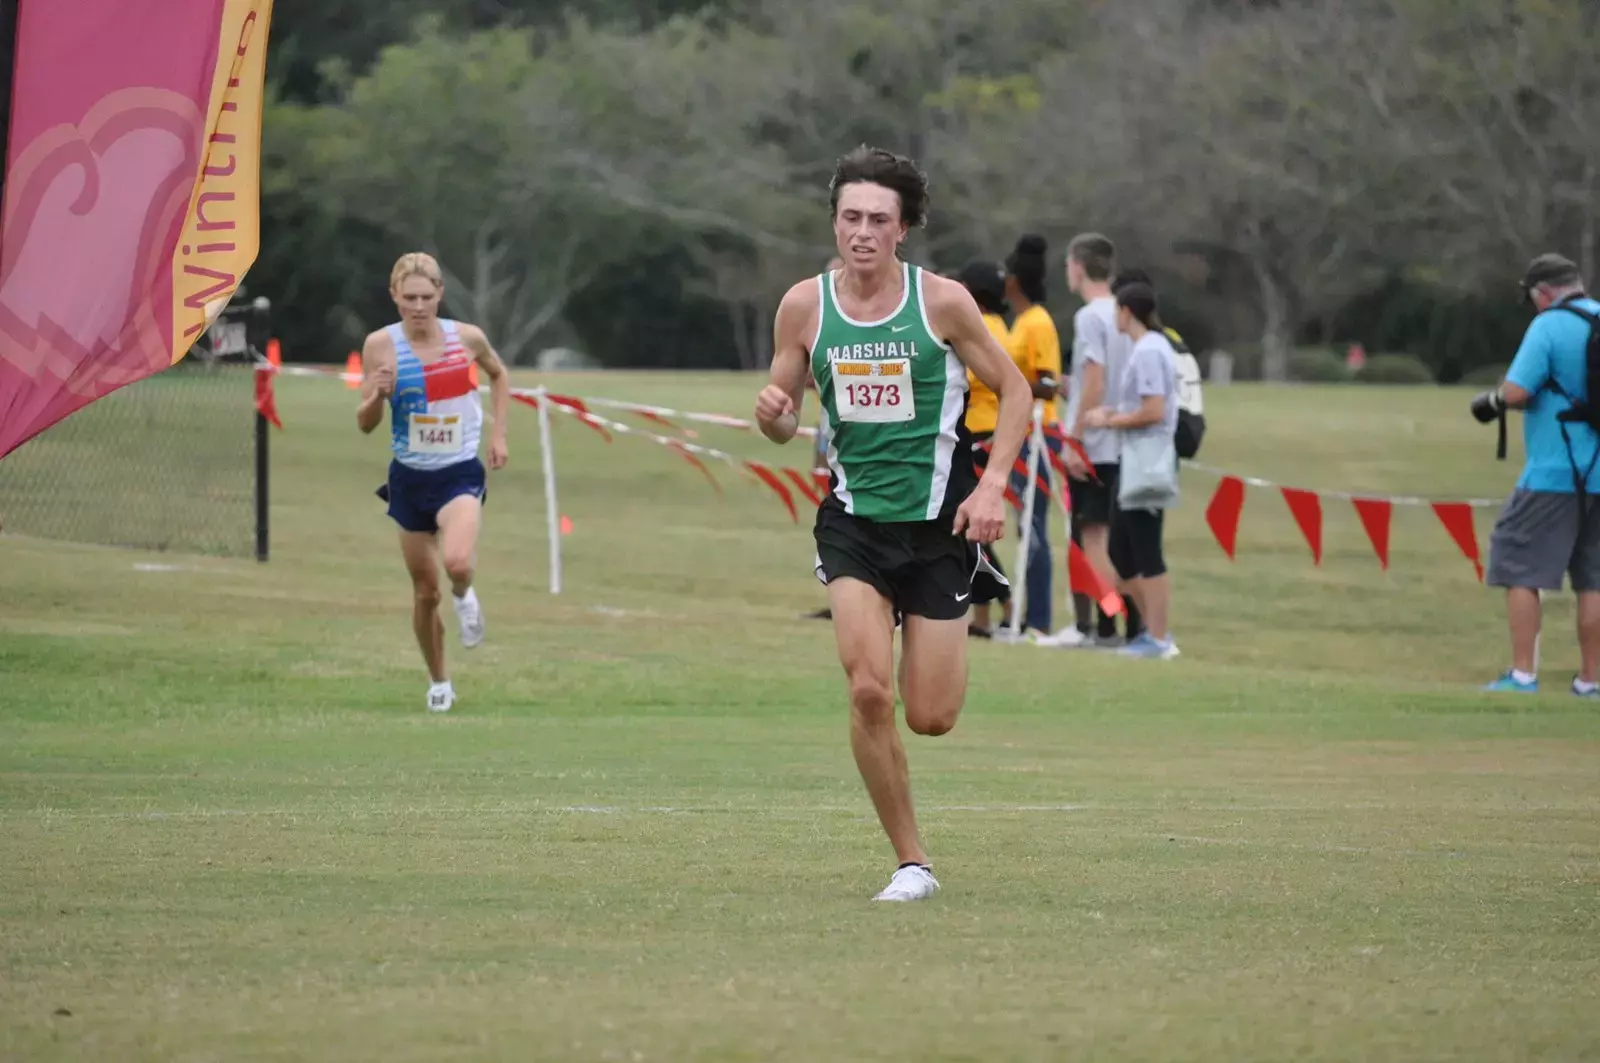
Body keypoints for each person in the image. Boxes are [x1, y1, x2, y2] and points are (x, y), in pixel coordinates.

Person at [753, 145, 1031, 901]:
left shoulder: (941, 302)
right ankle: (912, 861)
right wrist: (773, 415)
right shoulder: (803, 306)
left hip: (942, 526)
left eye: (880, 219)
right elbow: (782, 415)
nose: (863, 231)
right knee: (869, 689)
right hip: (854, 525)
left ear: (904, 228)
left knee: (931, 716)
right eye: (851, 217)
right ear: (835, 222)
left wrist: (994, 486)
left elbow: (1014, 392)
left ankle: (939, 638)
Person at [357, 252, 511, 713]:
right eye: (409, 299)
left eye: (426, 297)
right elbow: (365, 424)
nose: (419, 307)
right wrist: (377, 397)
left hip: (458, 470)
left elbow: (499, 375)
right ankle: (439, 681)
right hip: (409, 477)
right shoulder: (379, 347)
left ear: (440, 293)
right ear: (394, 297)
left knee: (458, 562)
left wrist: (498, 434)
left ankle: (465, 596)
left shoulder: (466, 337)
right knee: (425, 592)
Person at [1478, 253, 1600, 695]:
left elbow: (1516, 389)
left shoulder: (1548, 325)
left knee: (1520, 566)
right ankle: (1591, 681)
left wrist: (1490, 404)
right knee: (1594, 578)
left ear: (1543, 293)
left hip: (1555, 472)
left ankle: (1522, 675)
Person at [1083, 281, 1180, 659]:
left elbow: (1154, 410)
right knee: (1122, 551)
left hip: (1146, 462)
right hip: (1133, 458)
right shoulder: (1148, 348)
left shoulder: (1149, 351)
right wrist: (1113, 413)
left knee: (1145, 549)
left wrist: (1111, 422)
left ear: (1126, 312)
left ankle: (1159, 637)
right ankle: (1149, 631)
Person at [1051, 233, 1138, 648]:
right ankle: (1125, 623)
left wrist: (1074, 439)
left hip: (1096, 444)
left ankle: (1107, 624)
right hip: (1123, 440)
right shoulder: (1124, 312)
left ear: (1079, 267)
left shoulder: (1089, 316)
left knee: (1093, 539)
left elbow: (1097, 382)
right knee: (1110, 537)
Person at [1000, 234, 1066, 640]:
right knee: (1024, 526)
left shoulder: (1038, 323)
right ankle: (1026, 613)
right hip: (1019, 431)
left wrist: (1012, 382)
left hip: (1039, 433)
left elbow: (1048, 382)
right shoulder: (1020, 322)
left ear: (1014, 281)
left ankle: (1039, 619)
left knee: (1034, 525)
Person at [956, 258, 1016, 637]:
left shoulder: (978, 327)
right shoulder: (1000, 326)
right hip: (988, 434)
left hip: (978, 436)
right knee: (967, 528)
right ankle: (984, 616)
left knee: (967, 525)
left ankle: (1006, 603)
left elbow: (966, 378)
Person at [804, 256, 847, 622]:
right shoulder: (818, 320)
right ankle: (839, 591)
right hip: (827, 426)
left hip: (863, 438)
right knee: (828, 502)